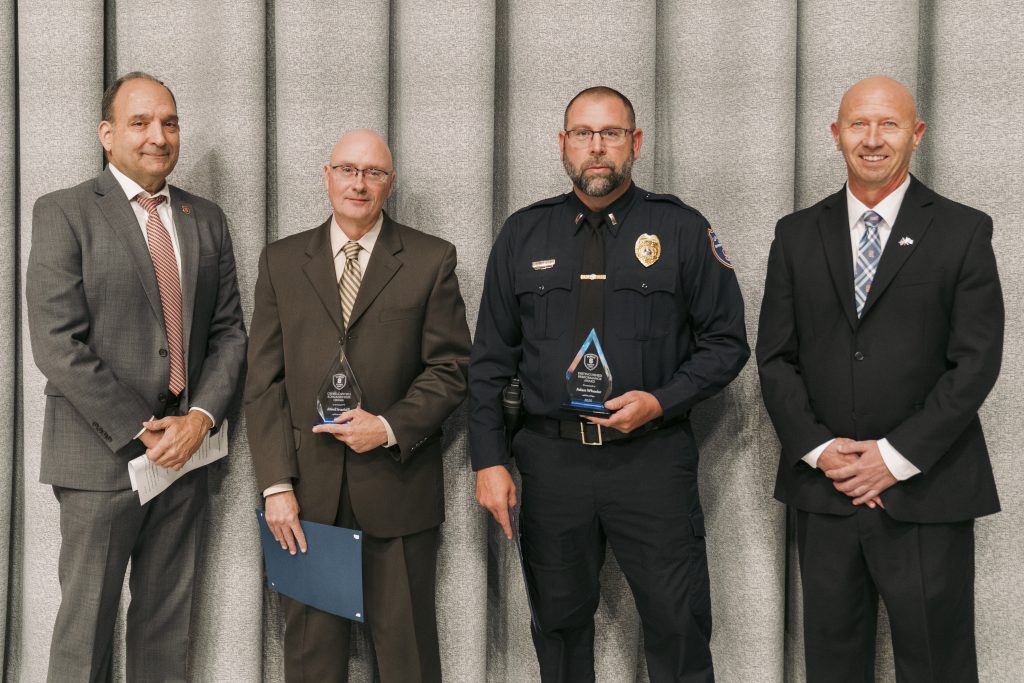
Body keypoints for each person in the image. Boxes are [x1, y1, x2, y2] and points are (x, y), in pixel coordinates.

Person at [470, 86, 749, 682]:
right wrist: (488, 460)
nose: (596, 148)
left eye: (611, 134)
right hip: (551, 463)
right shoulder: (524, 234)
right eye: (582, 134)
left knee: (678, 624)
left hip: (649, 460)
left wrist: (661, 401)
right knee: (559, 627)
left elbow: (727, 343)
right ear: (563, 144)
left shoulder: (679, 229)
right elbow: (490, 359)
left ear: (635, 143)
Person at [756, 75, 1003, 682]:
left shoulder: (963, 231)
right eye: (858, 124)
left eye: (888, 124)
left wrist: (892, 459)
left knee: (938, 666)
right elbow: (774, 358)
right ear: (835, 134)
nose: (872, 138)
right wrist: (821, 451)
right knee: (833, 667)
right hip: (827, 492)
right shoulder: (795, 235)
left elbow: (975, 362)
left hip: (928, 489)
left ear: (916, 134)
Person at [25, 72, 247, 682]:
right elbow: (56, 343)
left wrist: (198, 420)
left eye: (170, 123)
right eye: (141, 122)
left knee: (166, 632)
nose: (159, 136)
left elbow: (229, 333)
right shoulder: (64, 211)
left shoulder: (206, 219)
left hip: (186, 457)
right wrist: (141, 429)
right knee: (84, 632)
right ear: (107, 135)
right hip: (101, 459)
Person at [245, 128, 471, 682]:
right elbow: (263, 382)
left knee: (407, 661)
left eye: (373, 173)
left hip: (397, 490)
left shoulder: (430, 259)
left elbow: (452, 368)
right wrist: (276, 486)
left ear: (389, 184)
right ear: (327, 176)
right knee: (310, 663)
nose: (359, 183)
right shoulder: (279, 261)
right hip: (304, 501)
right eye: (347, 169)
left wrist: (390, 426)